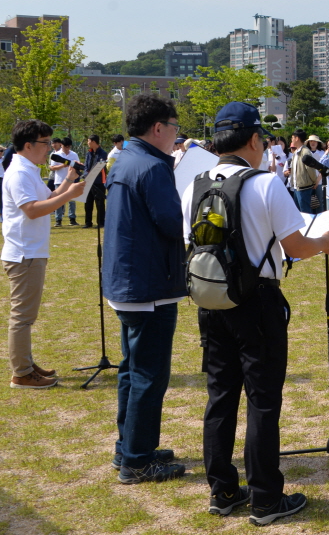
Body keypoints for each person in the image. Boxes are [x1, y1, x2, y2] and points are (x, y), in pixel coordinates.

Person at [184, 102, 329, 526]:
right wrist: (326, 241)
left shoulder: (195, 184)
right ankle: (266, 498)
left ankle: (222, 491)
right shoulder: (266, 184)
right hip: (257, 304)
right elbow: (296, 247)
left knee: (220, 396)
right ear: (254, 139)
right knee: (263, 401)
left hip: (211, 302)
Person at [104, 94, 188, 484]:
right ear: (158, 128)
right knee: (148, 375)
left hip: (129, 281)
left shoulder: (126, 159)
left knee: (131, 370)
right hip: (149, 285)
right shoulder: (153, 167)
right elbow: (172, 223)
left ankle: (130, 447)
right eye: (174, 128)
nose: (176, 136)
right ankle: (137, 460)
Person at [0, 120, 85, 389]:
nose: (51, 148)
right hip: (25, 253)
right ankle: (22, 373)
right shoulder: (19, 173)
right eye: (45, 143)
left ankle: (25, 363)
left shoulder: (28, 169)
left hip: (31, 250)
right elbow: (33, 210)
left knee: (26, 316)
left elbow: (47, 198)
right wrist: (68, 194)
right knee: (22, 317)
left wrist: (69, 183)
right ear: (28, 145)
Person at [284, 130, 318, 215]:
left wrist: (314, 181)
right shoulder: (296, 152)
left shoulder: (305, 152)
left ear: (297, 138)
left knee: (305, 213)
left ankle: (308, 228)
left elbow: (311, 169)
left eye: (292, 138)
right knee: (298, 213)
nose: (291, 140)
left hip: (304, 187)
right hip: (296, 187)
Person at [50, 137, 80, 226]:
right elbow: (52, 167)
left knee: (72, 200)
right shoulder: (57, 154)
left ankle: (72, 218)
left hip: (71, 180)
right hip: (59, 180)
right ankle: (58, 220)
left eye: (68, 147)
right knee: (58, 200)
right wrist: (63, 165)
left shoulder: (74, 154)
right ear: (61, 145)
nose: (67, 149)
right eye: (65, 147)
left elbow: (78, 165)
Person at [82, 135, 109, 228]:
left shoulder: (103, 153)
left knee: (100, 203)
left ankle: (101, 222)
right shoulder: (88, 153)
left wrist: (91, 174)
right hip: (88, 181)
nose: (87, 143)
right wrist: (86, 174)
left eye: (88, 141)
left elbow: (99, 166)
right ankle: (88, 222)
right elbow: (86, 166)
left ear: (93, 142)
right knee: (88, 202)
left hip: (99, 181)